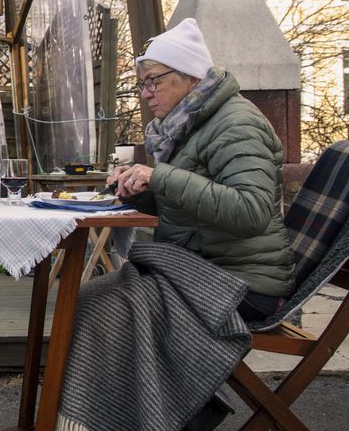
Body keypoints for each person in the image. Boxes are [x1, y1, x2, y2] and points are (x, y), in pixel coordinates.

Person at [109, 17, 295, 320]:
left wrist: (160, 177)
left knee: (109, 308)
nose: (146, 94)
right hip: (207, 268)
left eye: (153, 81)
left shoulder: (237, 123)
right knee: (98, 297)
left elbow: (251, 212)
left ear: (192, 78)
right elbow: (189, 211)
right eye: (143, 84)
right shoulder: (187, 126)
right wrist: (138, 191)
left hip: (246, 284)